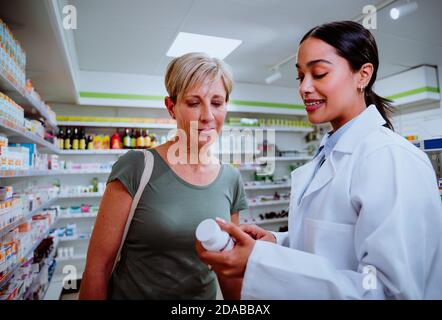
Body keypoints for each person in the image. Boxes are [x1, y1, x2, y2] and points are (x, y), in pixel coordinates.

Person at [196, 21, 442, 299]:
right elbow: (332, 246)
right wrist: (275, 242)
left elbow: (390, 292)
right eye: (301, 77)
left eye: (320, 73)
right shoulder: (329, 154)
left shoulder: (391, 159)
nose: (304, 88)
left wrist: (263, 263)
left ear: (363, 75)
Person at [79, 52, 248, 299]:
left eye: (217, 103)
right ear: (171, 107)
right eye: (193, 103)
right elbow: (97, 268)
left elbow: (227, 266)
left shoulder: (231, 178)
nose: (207, 116)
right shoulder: (136, 167)